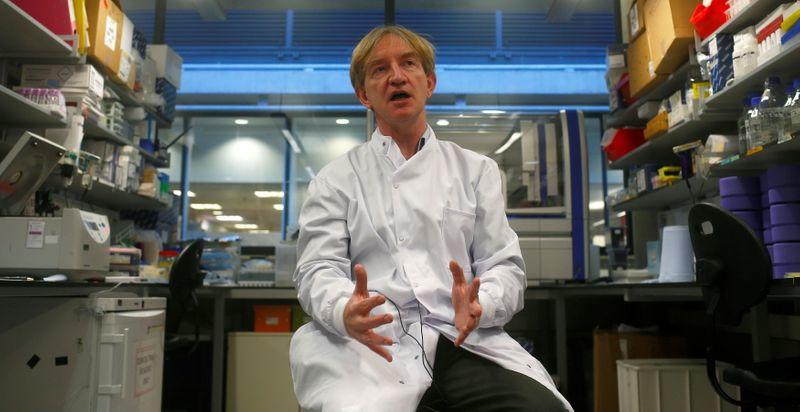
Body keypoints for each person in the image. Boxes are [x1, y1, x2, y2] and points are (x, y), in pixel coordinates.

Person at [289, 25, 572, 412]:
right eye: (379, 69)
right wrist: (343, 309)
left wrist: (482, 304)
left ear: (430, 82)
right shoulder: (335, 179)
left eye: (408, 64)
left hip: (461, 338)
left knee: (539, 409)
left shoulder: (475, 171)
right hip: (373, 344)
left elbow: (504, 266)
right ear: (363, 95)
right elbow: (316, 268)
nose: (397, 76)